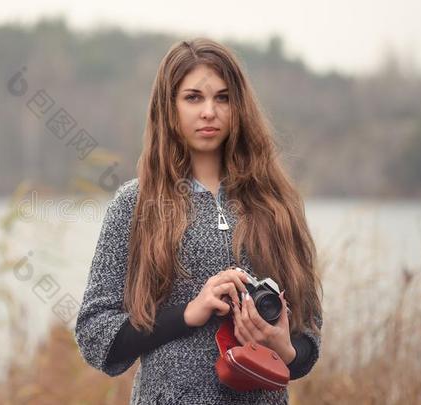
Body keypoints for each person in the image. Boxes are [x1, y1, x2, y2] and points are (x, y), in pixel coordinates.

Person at [74, 38, 323, 405]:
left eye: (222, 98)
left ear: (239, 107)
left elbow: (309, 337)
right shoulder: (136, 203)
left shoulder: (278, 203)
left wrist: (282, 348)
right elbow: (95, 335)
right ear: (169, 107)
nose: (209, 111)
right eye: (193, 98)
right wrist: (188, 314)